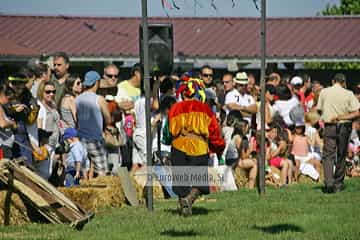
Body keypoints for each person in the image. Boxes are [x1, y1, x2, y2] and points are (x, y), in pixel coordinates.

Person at [165, 76, 225, 216]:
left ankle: (183, 206)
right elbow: (214, 133)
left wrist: (168, 141)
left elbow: (167, 132)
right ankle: (189, 200)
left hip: (178, 146)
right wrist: (219, 147)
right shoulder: (205, 109)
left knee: (181, 182)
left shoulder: (174, 108)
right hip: (198, 147)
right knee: (199, 182)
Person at [317, 73, 360, 193]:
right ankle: (338, 183)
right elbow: (357, 112)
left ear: (333, 81)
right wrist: (342, 117)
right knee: (341, 154)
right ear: (344, 82)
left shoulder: (324, 92)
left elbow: (319, 109)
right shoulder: (349, 93)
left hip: (329, 125)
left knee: (328, 155)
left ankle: (329, 183)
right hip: (345, 126)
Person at [76, 71, 111, 178]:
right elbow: (108, 119)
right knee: (102, 171)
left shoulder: (78, 99)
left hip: (81, 138)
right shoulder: (99, 99)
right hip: (95, 138)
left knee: (85, 171)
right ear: (97, 82)